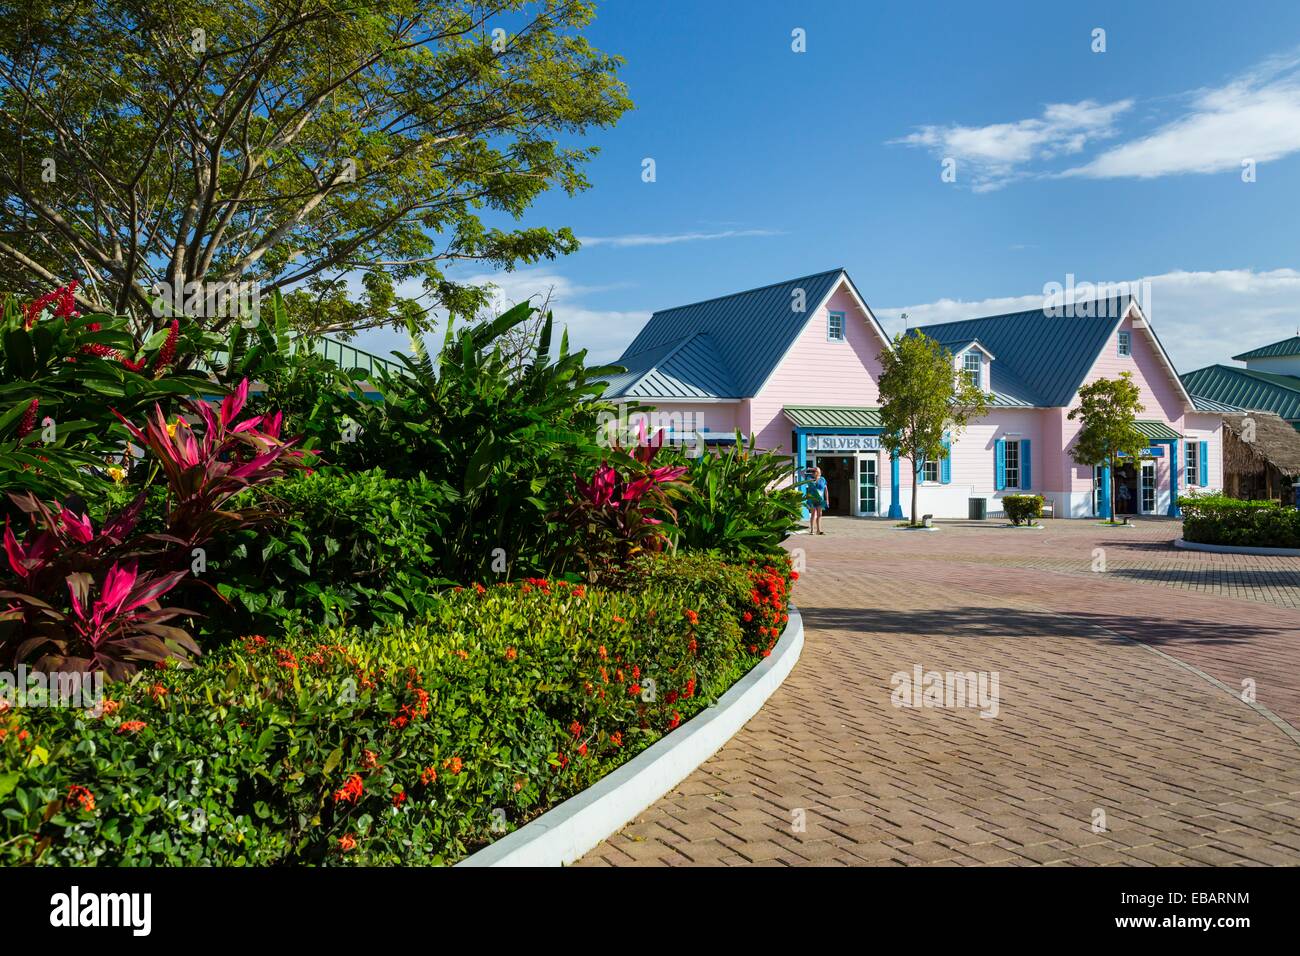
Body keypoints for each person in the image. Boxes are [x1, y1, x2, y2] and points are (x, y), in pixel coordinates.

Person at [808, 466, 828, 535]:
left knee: (820, 514)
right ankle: (812, 530)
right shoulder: (810, 479)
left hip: (820, 499)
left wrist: (827, 499)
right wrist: (810, 469)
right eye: (815, 471)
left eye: (818, 471)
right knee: (813, 514)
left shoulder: (823, 479)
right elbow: (801, 472)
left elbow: (826, 490)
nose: (817, 472)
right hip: (812, 499)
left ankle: (818, 530)